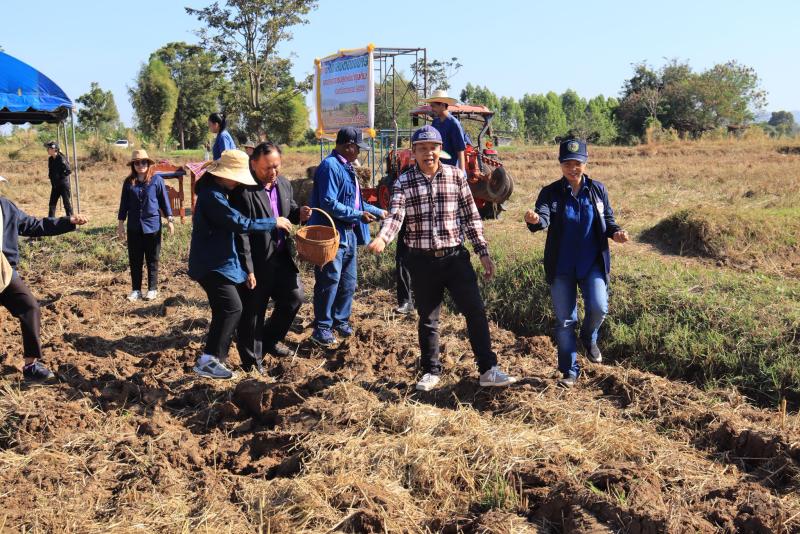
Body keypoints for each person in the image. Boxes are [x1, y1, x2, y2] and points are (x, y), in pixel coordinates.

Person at [367, 126, 516, 391]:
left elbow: (471, 217)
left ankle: (488, 369)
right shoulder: (404, 182)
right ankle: (431, 371)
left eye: (433, 148)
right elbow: (396, 215)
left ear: (440, 150)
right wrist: (383, 238)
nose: (428, 153)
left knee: (475, 311)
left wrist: (483, 253)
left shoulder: (456, 176)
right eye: (422, 149)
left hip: (455, 258)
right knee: (428, 318)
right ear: (414, 152)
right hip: (422, 262)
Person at [525, 138, 629, 388]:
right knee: (565, 321)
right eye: (567, 163)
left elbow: (608, 220)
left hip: (591, 263)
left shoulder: (597, 190)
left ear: (585, 163)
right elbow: (544, 217)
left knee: (599, 307)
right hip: (561, 266)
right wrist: (535, 220)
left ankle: (589, 337)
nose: (573, 168)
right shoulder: (550, 192)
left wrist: (616, 233)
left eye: (577, 163)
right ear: (560, 164)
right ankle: (569, 371)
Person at [188, 149, 293, 379]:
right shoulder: (212, 196)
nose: (238, 182)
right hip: (211, 264)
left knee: (227, 309)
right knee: (232, 308)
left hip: (220, 261)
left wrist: (244, 270)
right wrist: (272, 222)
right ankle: (210, 360)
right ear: (224, 174)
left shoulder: (219, 191)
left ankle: (213, 359)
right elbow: (238, 223)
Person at [229, 142, 311, 374]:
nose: (273, 172)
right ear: (254, 163)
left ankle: (269, 341)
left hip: (281, 256)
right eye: (267, 168)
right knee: (254, 311)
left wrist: (299, 213)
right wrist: (247, 268)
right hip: (256, 261)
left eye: (276, 166)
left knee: (294, 297)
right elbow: (241, 232)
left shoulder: (283, 184)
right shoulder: (243, 191)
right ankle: (251, 363)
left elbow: (289, 211)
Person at [1, 184, 89, 382]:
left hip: (5, 270)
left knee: (30, 307)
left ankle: (31, 365)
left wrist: (68, 221)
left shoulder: (6, 207)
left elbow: (33, 225)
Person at [308, 127, 386, 347]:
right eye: (358, 148)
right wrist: (358, 215)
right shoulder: (330, 167)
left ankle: (340, 321)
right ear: (348, 146)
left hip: (349, 234)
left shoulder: (347, 167)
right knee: (329, 280)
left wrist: (379, 211)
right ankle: (322, 327)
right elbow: (329, 203)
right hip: (331, 234)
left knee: (349, 282)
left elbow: (356, 203)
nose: (359, 152)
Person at [116, 149, 175, 302]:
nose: (140, 165)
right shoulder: (128, 182)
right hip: (134, 226)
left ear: (148, 164)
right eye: (137, 163)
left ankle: (152, 289)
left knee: (152, 258)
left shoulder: (157, 180)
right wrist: (120, 224)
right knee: (135, 259)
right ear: (133, 165)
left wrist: (170, 220)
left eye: (143, 162)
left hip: (152, 225)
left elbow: (164, 201)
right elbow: (124, 204)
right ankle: (136, 290)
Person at [423, 90, 468, 170]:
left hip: (451, 169)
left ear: (443, 105)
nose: (432, 109)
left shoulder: (454, 124)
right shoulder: (435, 122)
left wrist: (461, 173)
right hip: (438, 168)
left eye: (433, 106)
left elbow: (460, 151)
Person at [44, 141, 74, 217]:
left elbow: (68, 171)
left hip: (63, 185)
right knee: (52, 204)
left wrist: (59, 178)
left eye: (48, 148)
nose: (47, 150)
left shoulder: (61, 158)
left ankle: (71, 221)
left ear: (53, 149)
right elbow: (51, 171)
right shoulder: (50, 159)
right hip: (55, 185)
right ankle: (50, 221)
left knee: (66, 203)